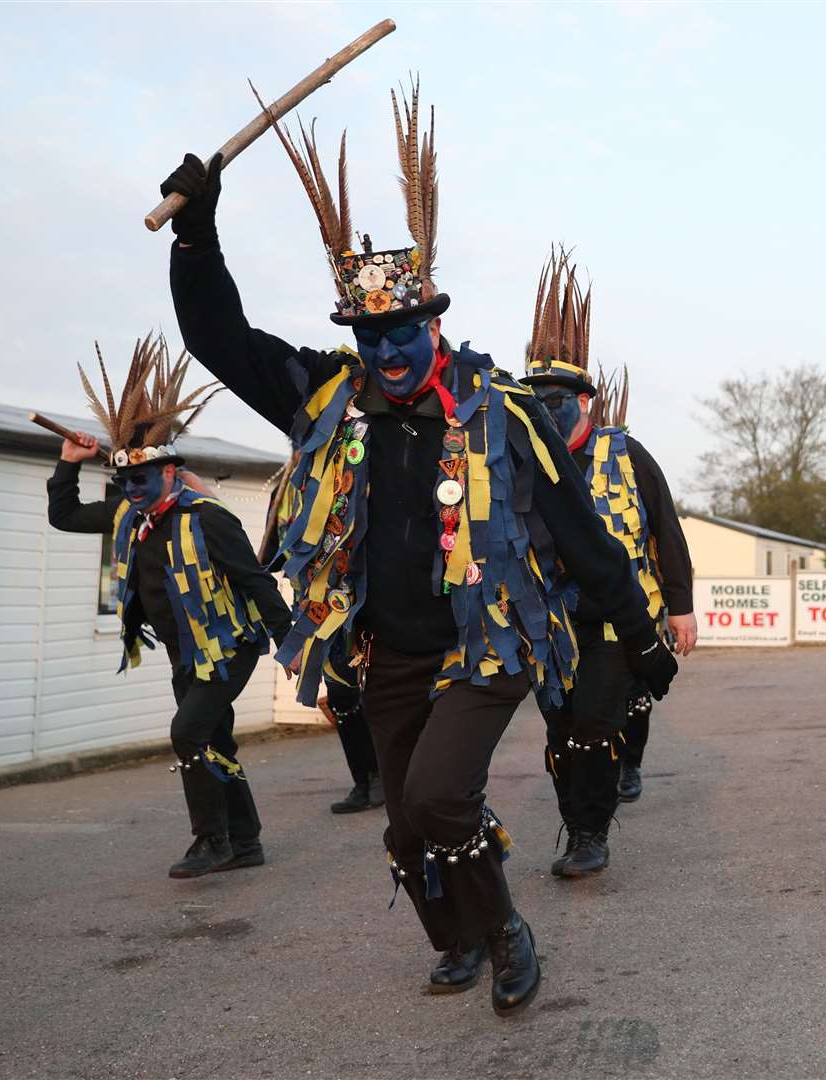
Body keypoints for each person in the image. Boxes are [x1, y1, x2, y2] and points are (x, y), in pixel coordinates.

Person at [158, 82, 676, 1009]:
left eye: (402, 330)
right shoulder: (330, 398)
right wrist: (199, 240)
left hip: (487, 643)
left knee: (440, 798)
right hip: (387, 651)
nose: (388, 351)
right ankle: (462, 936)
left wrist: (642, 631)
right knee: (406, 828)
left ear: (434, 322)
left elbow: (579, 530)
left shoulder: (505, 412)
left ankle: (507, 930)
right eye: (370, 335)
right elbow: (220, 339)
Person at [47, 334, 292, 878]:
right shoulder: (127, 517)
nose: (131, 488)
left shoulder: (207, 517)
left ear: (170, 472)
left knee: (187, 734)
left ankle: (212, 841)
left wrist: (290, 642)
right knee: (215, 737)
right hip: (186, 652)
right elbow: (63, 516)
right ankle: (245, 842)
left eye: (141, 478)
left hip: (229, 646)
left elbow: (254, 580)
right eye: (123, 480)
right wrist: (68, 462)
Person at [521, 250, 696, 875]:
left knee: (595, 724)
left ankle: (589, 835)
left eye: (559, 397)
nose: (548, 406)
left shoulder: (629, 455)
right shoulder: (514, 464)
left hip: (621, 624)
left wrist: (680, 608)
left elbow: (666, 532)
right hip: (548, 630)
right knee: (560, 732)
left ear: (585, 402)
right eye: (535, 397)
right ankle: (577, 819)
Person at [260, 455, 381, 814]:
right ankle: (365, 780)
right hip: (316, 612)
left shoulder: (356, 473)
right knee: (342, 696)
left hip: (364, 603)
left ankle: (389, 778)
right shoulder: (287, 489)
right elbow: (273, 557)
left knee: (376, 693)